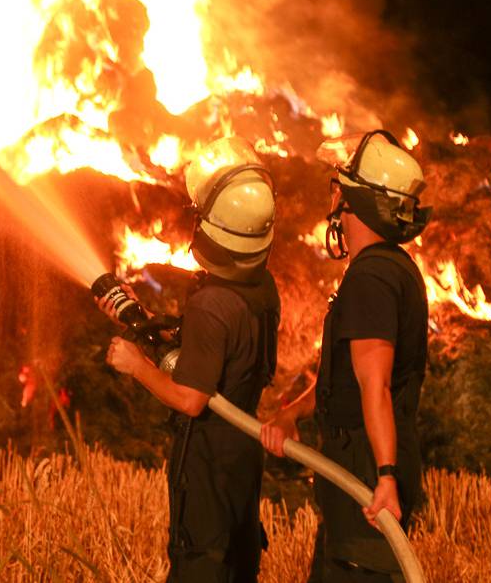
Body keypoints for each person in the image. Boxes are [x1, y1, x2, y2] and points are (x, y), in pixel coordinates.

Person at [101, 136, 280, 583]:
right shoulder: (262, 288)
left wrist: (136, 364)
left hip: (206, 461)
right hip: (241, 453)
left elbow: (192, 400)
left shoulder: (211, 303)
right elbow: (219, 353)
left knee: (201, 562)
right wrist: (150, 325)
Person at [260, 130, 432, 582]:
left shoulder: (371, 279)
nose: (336, 199)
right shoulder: (387, 267)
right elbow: (355, 378)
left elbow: (374, 384)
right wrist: (295, 412)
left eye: (344, 188)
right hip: (359, 464)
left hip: (367, 470)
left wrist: (386, 477)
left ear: (359, 200)